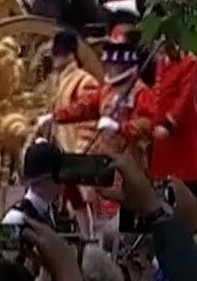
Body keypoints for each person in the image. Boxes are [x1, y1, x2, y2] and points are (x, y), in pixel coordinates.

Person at [39, 14, 159, 175]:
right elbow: (84, 107)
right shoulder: (107, 90)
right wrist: (56, 116)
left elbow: (147, 124)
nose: (108, 67)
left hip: (131, 164)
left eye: (112, 64)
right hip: (106, 161)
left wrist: (120, 127)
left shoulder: (140, 91)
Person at [41, 29, 109, 231]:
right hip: (59, 148)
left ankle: (88, 237)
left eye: (57, 54)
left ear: (69, 54)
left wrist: (80, 151)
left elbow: (89, 121)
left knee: (79, 200)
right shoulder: (58, 80)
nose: (54, 58)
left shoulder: (84, 81)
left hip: (74, 149)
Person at [150, 39, 197, 198]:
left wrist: (170, 122)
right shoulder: (162, 61)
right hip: (161, 123)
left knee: (187, 174)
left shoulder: (190, 62)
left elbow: (185, 96)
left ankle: (191, 212)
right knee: (166, 172)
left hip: (182, 127)